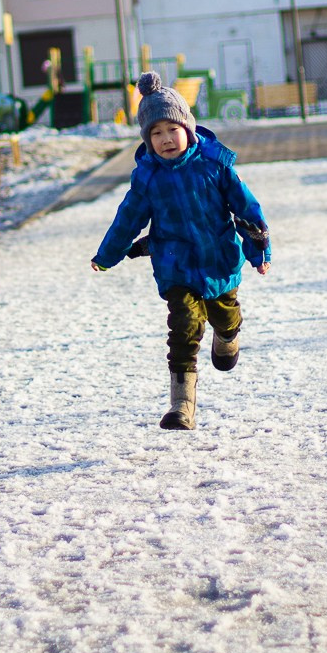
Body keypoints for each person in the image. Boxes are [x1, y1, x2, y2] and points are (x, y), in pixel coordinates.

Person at [91, 71, 271, 431]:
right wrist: (107, 254)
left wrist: (259, 253)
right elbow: (128, 219)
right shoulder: (147, 177)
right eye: (155, 133)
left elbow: (247, 209)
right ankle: (182, 406)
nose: (165, 139)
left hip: (219, 260)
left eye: (171, 129)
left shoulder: (215, 165)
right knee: (184, 326)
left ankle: (228, 336)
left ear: (187, 129)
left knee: (224, 316)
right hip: (175, 264)